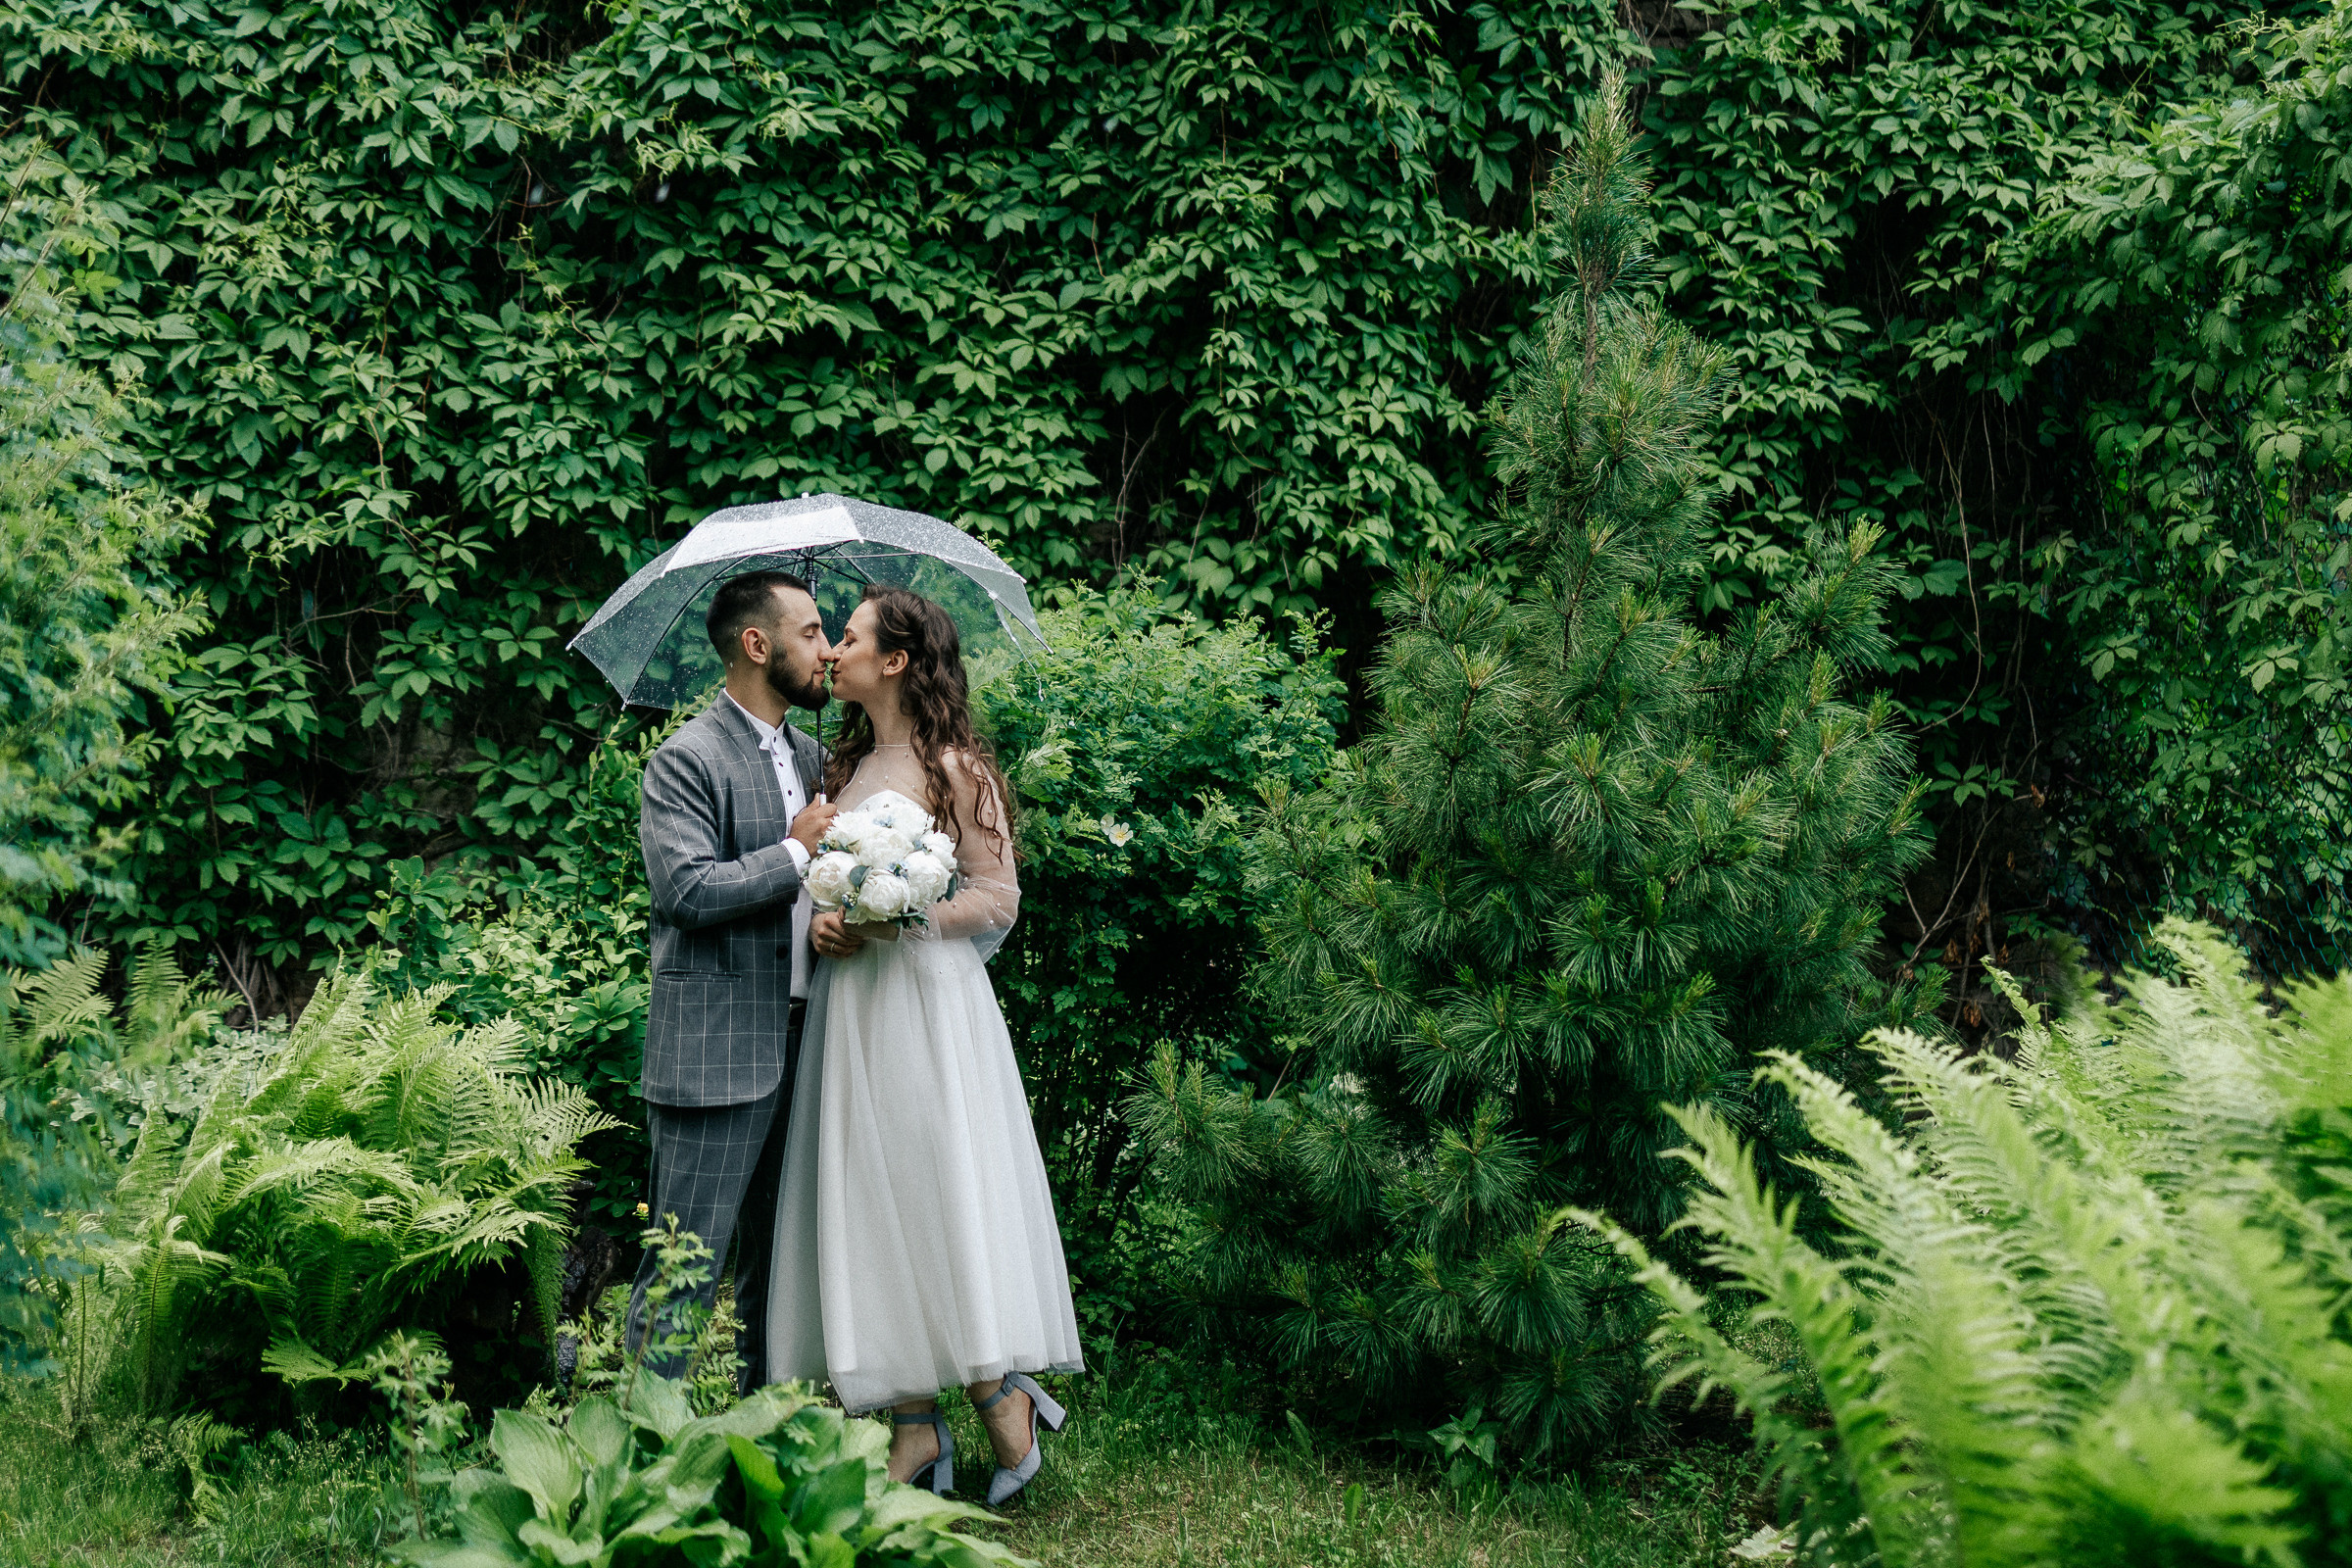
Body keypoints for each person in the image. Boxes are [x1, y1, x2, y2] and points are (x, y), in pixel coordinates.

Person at [768, 584, 1083, 1505]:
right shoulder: (840, 769)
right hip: (852, 1011)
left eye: (851, 638)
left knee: (937, 1188)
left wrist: (900, 919)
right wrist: (829, 926)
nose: (834, 653)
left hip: (929, 1008)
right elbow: (826, 892)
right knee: (869, 1195)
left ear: (896, 660)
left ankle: (998, 1395)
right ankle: (913, 1423)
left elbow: (996, 899)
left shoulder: (956, 769)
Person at [629, 569, 837, 1388]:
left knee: (781, 1277)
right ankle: (639, 1468)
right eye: (812, 633)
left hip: (811, 1042)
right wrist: (794, 852)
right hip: (715, 1059)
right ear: (759, 645)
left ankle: (770, 1446)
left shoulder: (815, 755)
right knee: (685, 1272)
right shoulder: (684, 760)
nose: (826, 651)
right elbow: (684, 891)